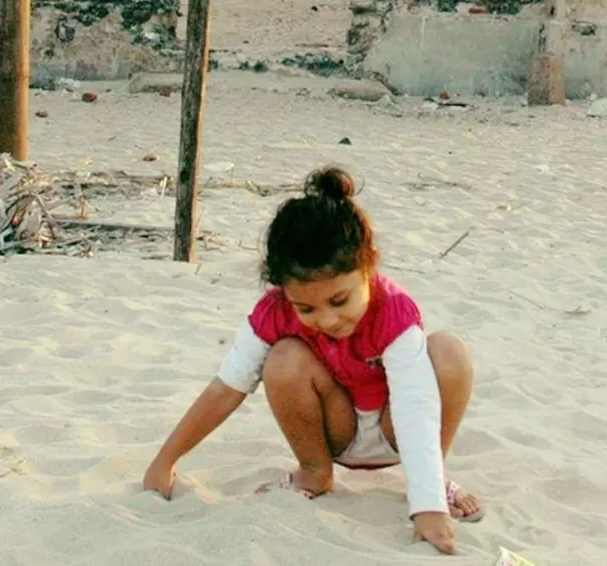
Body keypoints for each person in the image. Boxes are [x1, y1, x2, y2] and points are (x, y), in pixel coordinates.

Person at [142, 168, 482, 556]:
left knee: (448, 350)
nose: (327, 320)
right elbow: (225, 388)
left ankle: (435, 481)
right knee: (283, 358)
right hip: (334, 432)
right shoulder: (274, 312)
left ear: (370, 264)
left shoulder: (394, 311)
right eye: (306, 307)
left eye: (339, 300)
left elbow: (415, 404)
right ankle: (315, 474)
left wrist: (428, 506)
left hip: (396, 431)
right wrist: (165, 461)